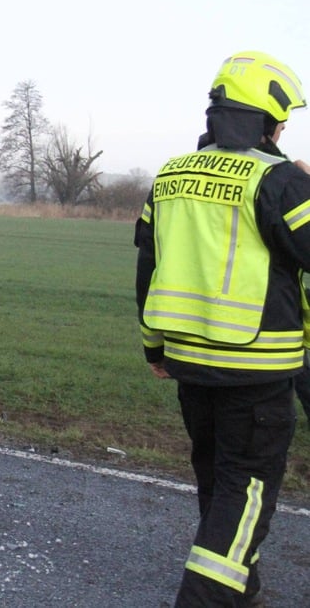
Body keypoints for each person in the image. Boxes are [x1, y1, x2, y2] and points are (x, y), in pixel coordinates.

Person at [135, 50, 310, 606]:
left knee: (219, 481)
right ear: (266, 119)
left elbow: (149, 266)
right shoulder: (279, 180)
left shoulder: (170, 174)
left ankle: (244, 587)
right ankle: (205, 598)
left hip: (189, 364)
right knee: (246, 489)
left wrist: (154, 349)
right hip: (257, 369)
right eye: (282, 121)